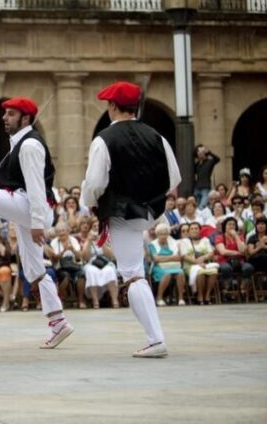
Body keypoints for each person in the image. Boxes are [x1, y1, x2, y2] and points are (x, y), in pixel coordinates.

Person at [81, 81, 181, 358]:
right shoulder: (156, 136)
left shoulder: (104, 139)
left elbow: (95, 183)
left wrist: (91, 204)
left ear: (113, 106)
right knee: (134, 271)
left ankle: (156, 339)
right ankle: (155, 338)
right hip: (150, 210)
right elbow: (174, 178)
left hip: (122, 212)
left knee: (133, 275)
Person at [0, 97, 74, 349]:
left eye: (11, 114)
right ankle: (58, 322)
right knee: (34, 267)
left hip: (31, 207)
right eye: (5, 114)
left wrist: (36, 223)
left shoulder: (30, 145)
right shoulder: (20, 143)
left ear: (25, 118)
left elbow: (36, 188)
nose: (5, 118)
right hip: (26, 209)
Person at [180, 222, 219, 304]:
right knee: (200, 272)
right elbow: (184, 256)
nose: (194, 230)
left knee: (214, 271)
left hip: (205, 263)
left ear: (200, 230)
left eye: (196, 228)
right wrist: (197, 262)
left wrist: (204, 258)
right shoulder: (184, 241)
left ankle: (207, 295)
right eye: (192, 229)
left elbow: (210, 253)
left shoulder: (205, 240)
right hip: (190, 265)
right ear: (189, 231)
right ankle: (200, 296)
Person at [215, 216, 254, 299]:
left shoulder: (240, 237)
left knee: (248, 268)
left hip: (239, 261)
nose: (231, 226)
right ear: (224, 226)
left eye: (233, 224)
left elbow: (243, 250)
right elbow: (223, 252)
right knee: (226, 268)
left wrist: (236, 236)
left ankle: (242, 289)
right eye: (229, 224)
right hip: (225, 261)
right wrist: (238, 253)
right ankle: (225, 290)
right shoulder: (220, 237)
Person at [148, 223, 186, 306]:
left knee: (180, 273)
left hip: (173, 265)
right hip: (158, 267)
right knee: (167, 274)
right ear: (157, 234)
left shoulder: (174, 243)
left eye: (165, 234)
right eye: (161, 234)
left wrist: (163, 258)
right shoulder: (152, 244)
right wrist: (171, 257)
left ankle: (180, 298)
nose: (163, 236)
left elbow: (178, 258)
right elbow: (156, 259)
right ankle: (159, 297)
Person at [193, 145, 220, 209]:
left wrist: (209, 152)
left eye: (201, 151)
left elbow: (217, 159)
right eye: (198, 151)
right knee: (196, 206)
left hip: (205, 187)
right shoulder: (197, 164)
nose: (200, 153)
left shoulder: (209, 161)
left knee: (202, 206)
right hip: (197, 187)